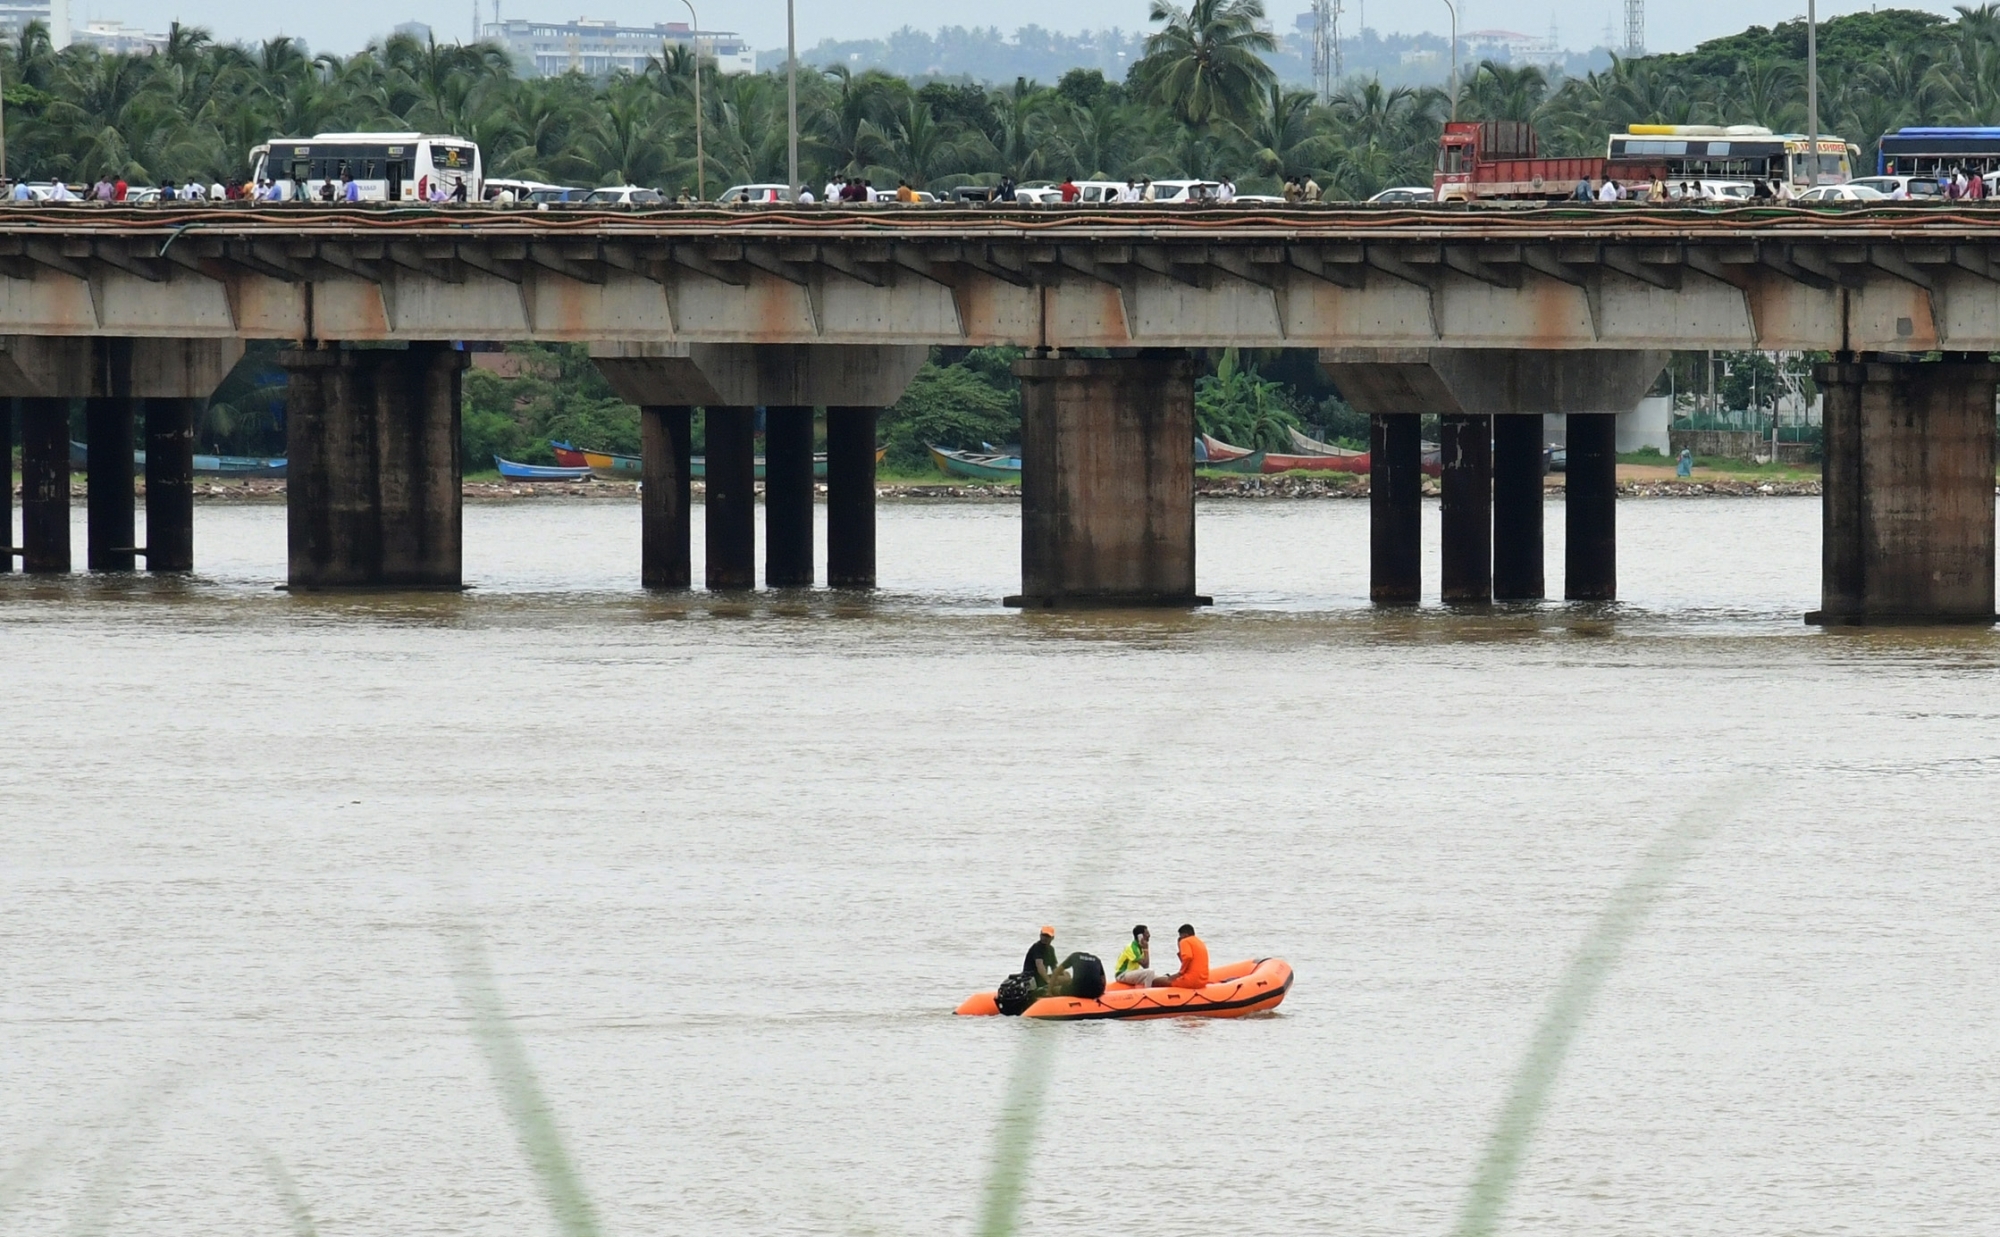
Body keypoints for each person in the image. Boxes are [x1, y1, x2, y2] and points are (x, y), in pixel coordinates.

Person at [1159, 923, 1209, 989]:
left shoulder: (1185, 941)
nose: (1180, 938)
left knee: (1157, 981)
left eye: (1180, 936)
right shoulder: (1200, 942)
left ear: (1185, 935)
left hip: (1191, 981)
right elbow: (1187, 960)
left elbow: (1188, 957)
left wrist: (1180, 973)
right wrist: (1180, 947)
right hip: (1203, 981)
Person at [1021, 926, 1060, 996]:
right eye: (1043, 935)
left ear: (1052, 938)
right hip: (1032, 978)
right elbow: (1040, 966)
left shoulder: (1051, 949)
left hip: (1041, 978)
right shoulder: (1037, 947)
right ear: (1040, 935)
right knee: (1058, 981)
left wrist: (1062, 974)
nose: (1045, 938)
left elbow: (1054, 967)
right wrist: (1049, 981)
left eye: (1047, 936)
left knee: (1065, 976)